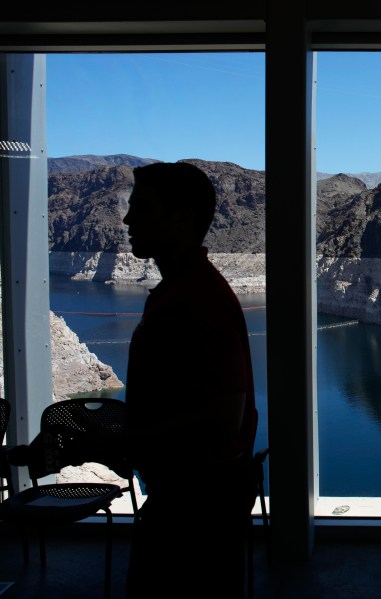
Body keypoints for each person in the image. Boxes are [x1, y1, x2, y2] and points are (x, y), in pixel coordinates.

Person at [121, 161, 258, 598]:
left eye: (140, 208)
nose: (126, 220)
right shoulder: (183, 290)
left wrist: (130, 442)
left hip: (197, 507)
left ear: (181, 219)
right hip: (191, 497)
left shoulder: (198, 300)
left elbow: (225, 414)